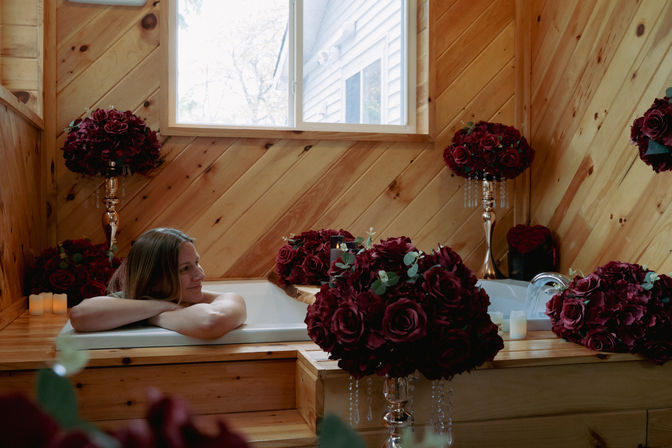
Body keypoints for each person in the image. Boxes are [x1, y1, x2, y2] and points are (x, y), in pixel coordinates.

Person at [70, 228, 247, 339]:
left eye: (197, 263)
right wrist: (163, 306)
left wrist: (152, 314)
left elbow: (210, 321)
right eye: (185, 268)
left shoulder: (225, 298)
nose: (200, 275)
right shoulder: (127, 300)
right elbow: (79, 315)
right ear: (153, 279)